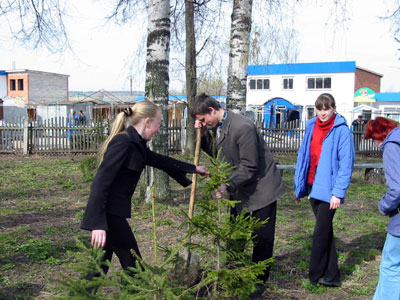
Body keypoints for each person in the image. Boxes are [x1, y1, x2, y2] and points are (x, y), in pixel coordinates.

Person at [80, 101, 208, 284]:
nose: (158, 129)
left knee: (98, 269)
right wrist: (97, 224)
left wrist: (194, 168)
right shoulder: (123, 142)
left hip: (113, 215)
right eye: (158, 124)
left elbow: (161, 161)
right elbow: (101, 183)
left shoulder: (137, 145)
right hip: (109, 216)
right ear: (147, 122)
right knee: (135, 267)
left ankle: (83, 294)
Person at [190, 93, 285, 298]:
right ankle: (232, 274)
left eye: (203, 119)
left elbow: (250, 165)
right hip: (241, 188)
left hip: (262, 188)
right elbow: (218, 153)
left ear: (212, 111)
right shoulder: (219, 126)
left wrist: (225, 185)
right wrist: (204, 133)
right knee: (236, 233)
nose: (202, 122)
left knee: (261, 237)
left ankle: (258, 282)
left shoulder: (242, 127)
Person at [294, 93, 355, 287]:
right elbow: (303, 156)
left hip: (329, 190)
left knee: (320, 233)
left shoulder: (342, 131)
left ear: (334, 108)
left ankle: (314, 275)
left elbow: (346, 164)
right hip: (312, 185)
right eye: (319, 108)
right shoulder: (311, 126)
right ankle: (332, 275)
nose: (323, 112)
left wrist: (338, 192)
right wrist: (299, 186)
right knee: (326, 231)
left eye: (326, 108)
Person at [364, 117, 400, 300]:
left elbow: (397, 188)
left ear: (380, 135)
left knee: (391, 265)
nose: (375, 144)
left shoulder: (392, 147)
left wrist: (383, 205)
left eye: (373, 138)